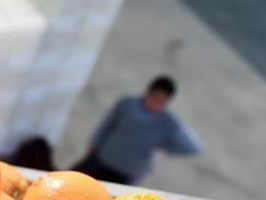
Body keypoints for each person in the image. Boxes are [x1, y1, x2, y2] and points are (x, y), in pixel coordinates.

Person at [72, 76, 200, 185]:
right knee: (71, 183)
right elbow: (107, 125)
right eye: (154, 99)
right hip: (101, 160)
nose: (156, 104)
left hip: (126, 176)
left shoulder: (168, 122)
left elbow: (193, 147)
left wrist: (165, 146)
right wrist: (93, 144)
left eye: (161, 102)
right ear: (147, 91)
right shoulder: (127, 104)